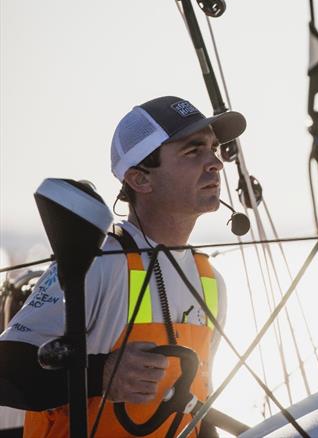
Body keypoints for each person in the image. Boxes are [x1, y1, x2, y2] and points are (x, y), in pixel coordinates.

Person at [0, 95, 246, 437]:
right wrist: (101, 375)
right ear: (140, 179)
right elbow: (6, 372)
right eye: (193, 151)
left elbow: (196, 409)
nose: (215, 162)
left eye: (214, 147)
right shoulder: (96, 262)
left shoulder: (212, 281)